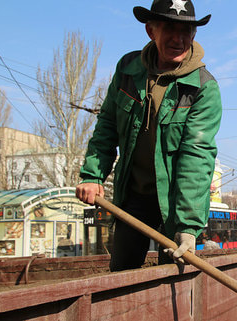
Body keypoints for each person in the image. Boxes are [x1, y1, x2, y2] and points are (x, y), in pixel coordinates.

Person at [76, 0, 221, 271]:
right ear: (151, 30)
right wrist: (93, 176)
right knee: (122, 271)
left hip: (175, 202)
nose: (178, 39)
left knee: (173, 277)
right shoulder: (128, 69)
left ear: (194, 34)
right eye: (169, 28)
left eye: (186, 31)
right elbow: (107, 124)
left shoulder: (203, 87)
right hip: (133, 197)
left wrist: (188, 226)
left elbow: (197, 156)